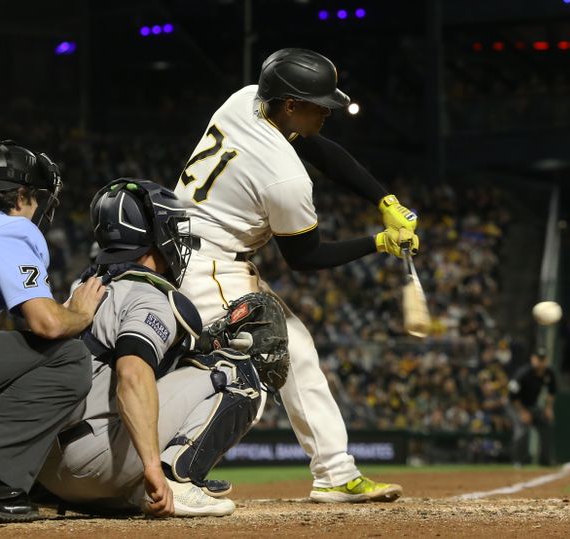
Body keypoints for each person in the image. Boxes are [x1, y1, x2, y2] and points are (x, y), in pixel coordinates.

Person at [174, 48, 419, 503]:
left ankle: (335, 471)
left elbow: (319, 149)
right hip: (209, 265)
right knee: (274, 355)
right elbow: (305, 258)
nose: (328, 111)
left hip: (182, 247)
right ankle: (177, 470)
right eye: (319, 104)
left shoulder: (246, 99)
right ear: (290, 104)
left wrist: (381, 199)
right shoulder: (284, 178)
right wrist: (377, 243)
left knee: (293, 349)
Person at [37, 179, 267, 517]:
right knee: (237, 371)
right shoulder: (148, 296)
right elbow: (132, 373)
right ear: (153, 236)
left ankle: (127, 489)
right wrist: (151, 468)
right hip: (93, 465)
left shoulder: (82, 288)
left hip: (45, 466)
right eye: (171, 227)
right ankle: (177, 476)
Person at [0, 141, 105, 522]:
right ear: (22, 195)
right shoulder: (10, 229)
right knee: (67, 356)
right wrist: (78, 312)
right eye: (36, 197)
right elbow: (48, 323)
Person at [508, 347, 558, 467]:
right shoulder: (523, 373)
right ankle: (519, 461)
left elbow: (552, 392)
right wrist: (522, 412)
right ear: (533, 359)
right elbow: (512, 396)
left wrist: (548, 408)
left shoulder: (549, 373)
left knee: (546, 424)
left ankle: (545, 461)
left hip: (532, 406)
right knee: (522, 430)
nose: (540, 362)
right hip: (515, 405)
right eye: (538, 359)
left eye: (543, 359)